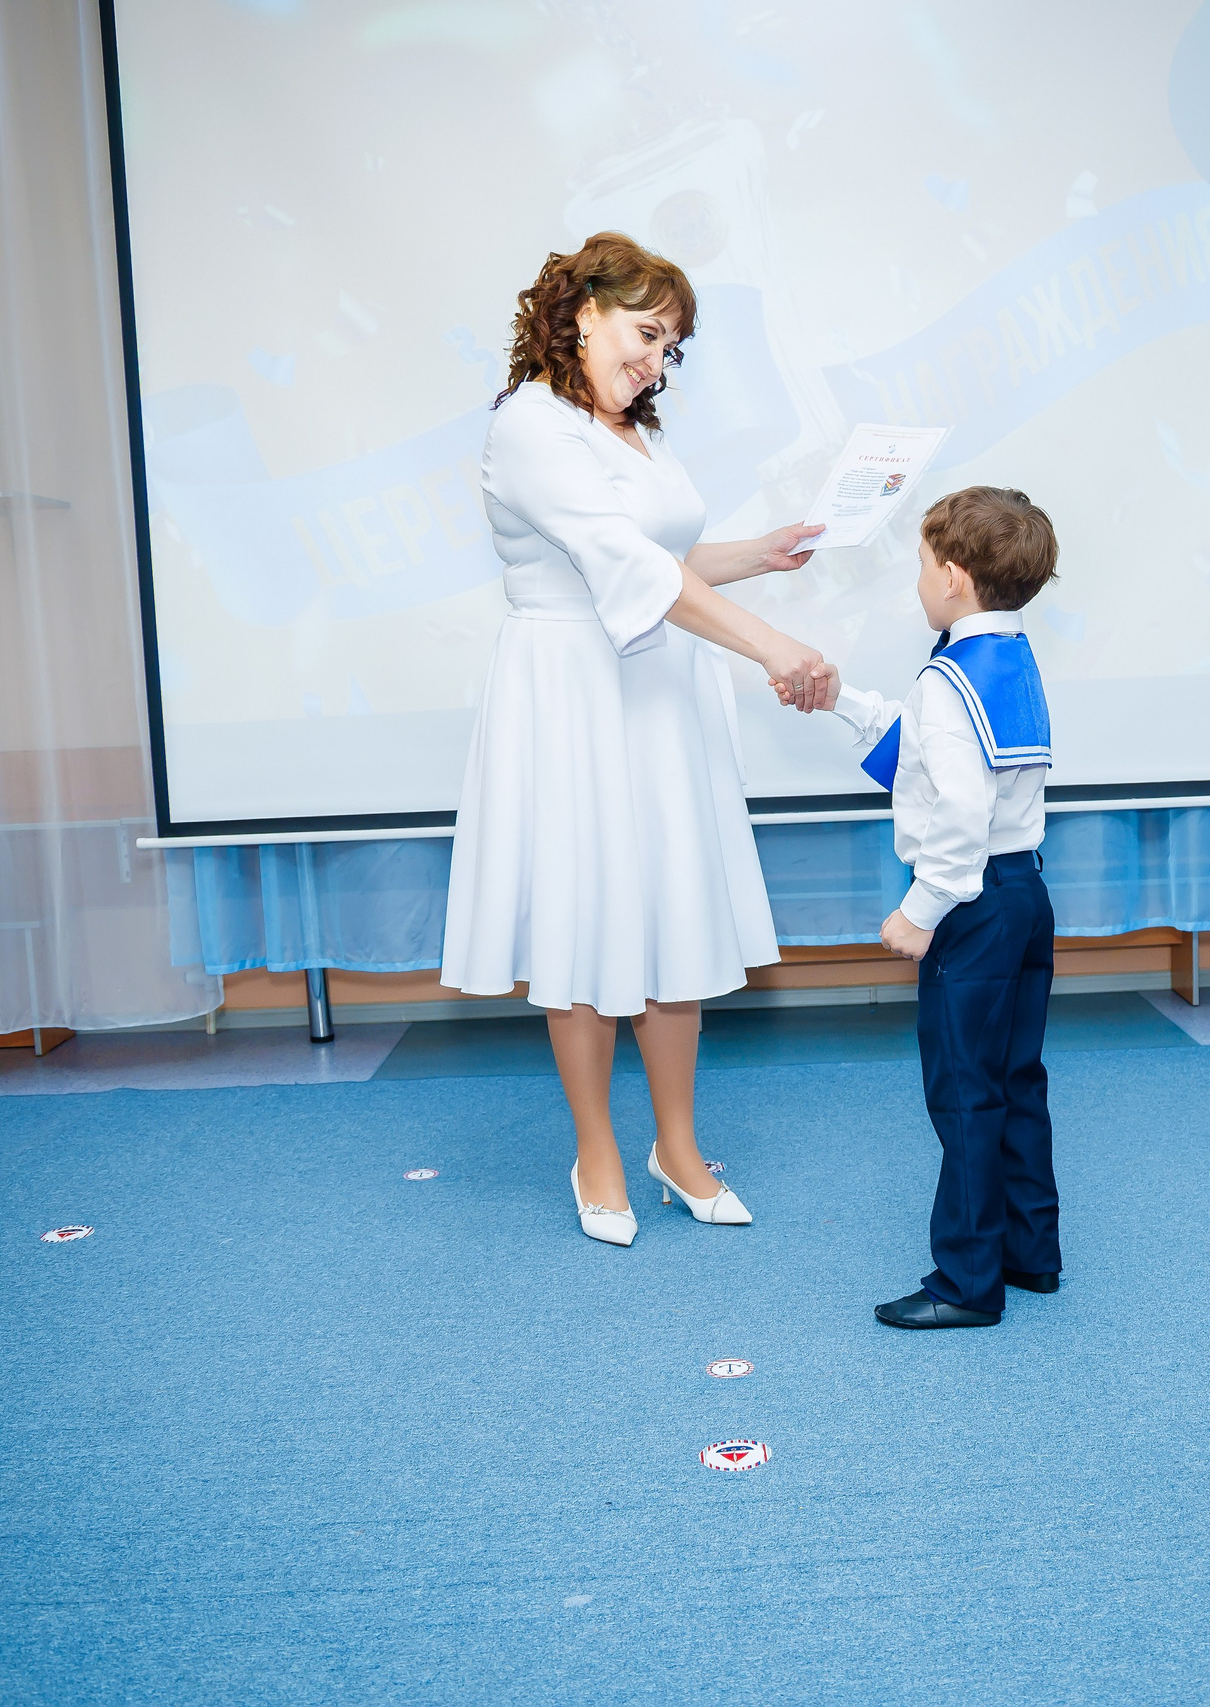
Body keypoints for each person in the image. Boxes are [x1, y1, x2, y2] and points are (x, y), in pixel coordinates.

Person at [440, 232, 840, 1248]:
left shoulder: (628, 434)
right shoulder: (530, 426)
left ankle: (677, 1147)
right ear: (580, 312)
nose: (657, 361)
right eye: (646, 332)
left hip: (656, 690)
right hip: (571, 693)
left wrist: (762, 553)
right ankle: (597, 1151)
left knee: (673, 919)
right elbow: (623, 564)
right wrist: (772, 650)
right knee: (584, 923)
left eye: (671, 347)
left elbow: (664, 555)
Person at [807, 488, 1062, 1329]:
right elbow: (924, 754)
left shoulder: (952, 681)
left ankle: (965, 1283)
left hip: (973, 904)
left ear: (953, 578)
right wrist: (842, 698)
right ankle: (1030, 1253)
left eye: (921, 565)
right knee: (1016, 1079)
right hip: (1023, 892)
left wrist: (920, 910)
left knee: (963, 1093)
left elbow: (956, 812)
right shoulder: (1003, 660)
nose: (917, 579)